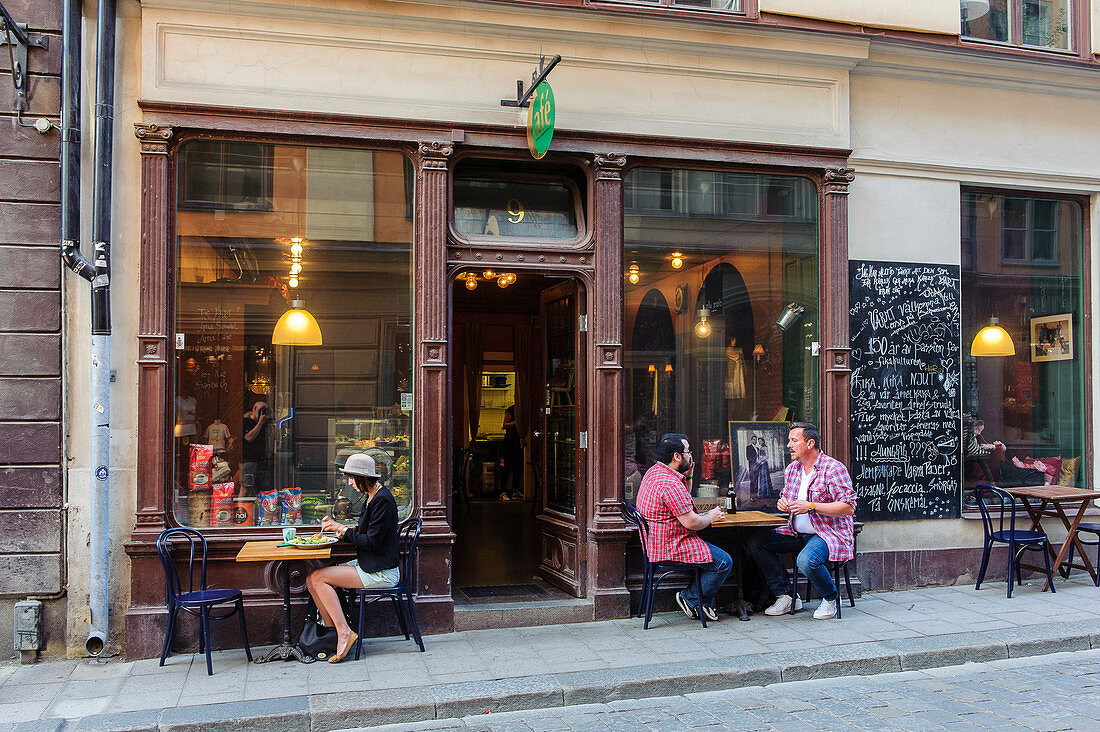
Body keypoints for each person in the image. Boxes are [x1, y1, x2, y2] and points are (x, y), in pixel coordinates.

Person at [746, 422, 856, 620]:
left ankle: (831, 599)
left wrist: (812, 506)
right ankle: (786, 595)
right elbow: (787, 497)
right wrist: (783, 503)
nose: (788, 445)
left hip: (826, 533)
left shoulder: (833, 468)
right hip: (794, 531)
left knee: (805, 560)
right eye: (790, 440)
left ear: (810, 443)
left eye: (794, 441)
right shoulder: (792, 469)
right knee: (756, 543)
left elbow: (848, 507)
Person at [305, 453, 400, 663]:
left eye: (351, 477)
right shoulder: (373, 496)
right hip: (371, 564)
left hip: (380, 572)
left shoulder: (382, 500)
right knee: (312, 580)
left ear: (361, 478)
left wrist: (343, 529)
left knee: (319, 578)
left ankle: (344, 633)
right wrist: (346, 530)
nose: (349, 482)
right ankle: (332, 635)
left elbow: (371, 541)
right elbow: (369, 531)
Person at [636, 433, 730, 621]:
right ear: (677, 456)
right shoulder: (670, 484)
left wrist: (689, 476)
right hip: (671, 547)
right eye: (688, 452)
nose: (691, 456)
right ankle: (691, 597)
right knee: (723, 562)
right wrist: (711, 516)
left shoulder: (655, 472)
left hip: (655, 544)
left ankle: (704, 603)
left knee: (709, 557)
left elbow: (682, 502)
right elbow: (692, 522)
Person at [240, 400, 271, 497]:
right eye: (262, 410)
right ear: (255, 409)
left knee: (258, 489)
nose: (263, 413)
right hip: (249, 460)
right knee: (246, 487)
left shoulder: (266, 424)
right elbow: (249, 438)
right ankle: (241, 510)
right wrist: (260, 422)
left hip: (261, 460)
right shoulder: (246, 422)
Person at [497, 405, 523, 501]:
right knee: (507, 467)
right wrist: (516, 423)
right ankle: (502, 492)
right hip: (509, 442)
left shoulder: (523, 411)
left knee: (518, 467)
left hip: (518, 442)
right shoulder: (511, 410)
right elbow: (504, 425)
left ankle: (515, 491)